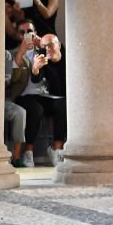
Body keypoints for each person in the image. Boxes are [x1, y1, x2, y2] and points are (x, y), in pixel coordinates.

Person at [11, 23, 66, 167]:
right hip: (26, 95)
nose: (26, 35)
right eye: (22, 32)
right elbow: (18, 76)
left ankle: (57, 150)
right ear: (18, 35)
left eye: (29, 31)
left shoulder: (44, 48)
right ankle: (28, 152)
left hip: (45, 96)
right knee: (36, 109)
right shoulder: (16, 53)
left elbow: (47, 74)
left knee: (62, 105)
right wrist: (29, 63)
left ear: (35, 33)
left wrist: (44, 43)